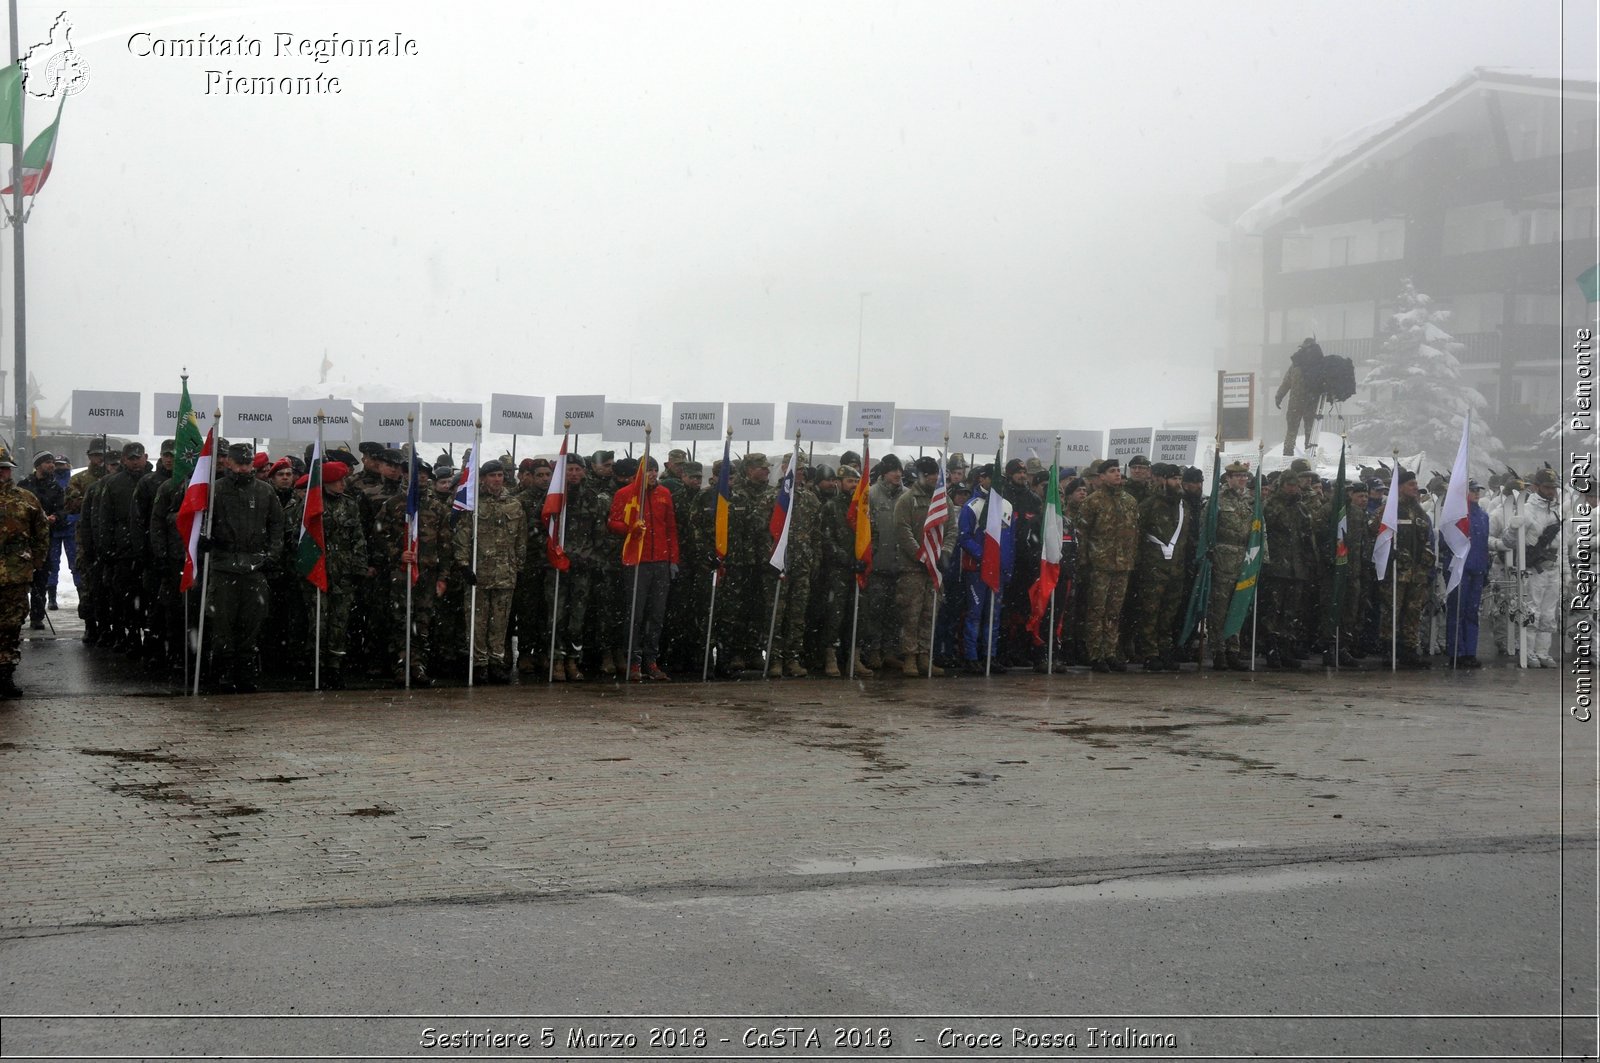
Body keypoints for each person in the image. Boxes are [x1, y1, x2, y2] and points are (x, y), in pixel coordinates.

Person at [203, 443, 286, 693]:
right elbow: (199, 520)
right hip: (224, 566)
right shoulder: (215, 490)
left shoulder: (264, 491)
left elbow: (276, 524)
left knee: (252, 625)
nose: (243, 468)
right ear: (228, 462)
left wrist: (272, 554)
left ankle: (246, 675)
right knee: (222, 626)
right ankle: (222, 674)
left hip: (254, 566)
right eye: (238, 463)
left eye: (247, 463)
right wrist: (204, 540)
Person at [447, 459, 525, 683]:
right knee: (477, 621)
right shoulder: (472, 503)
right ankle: (479, 663)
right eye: (492, 476)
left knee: (500, 621)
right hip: (478, 572)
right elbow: (462, 536)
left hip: (505, 572)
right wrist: (463, 565)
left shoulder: (514, 504)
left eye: (500, 475)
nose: (497, 479)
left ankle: (496, 661)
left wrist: (518, 565)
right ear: (483, 478)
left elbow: (521, 538)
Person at [607, 455, 680, 681]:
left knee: (656, 615)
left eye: (654, 470)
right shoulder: (625, 494)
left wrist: (673, 559)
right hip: (636, 561)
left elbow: (671, 528)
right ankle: (633, 662)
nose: (652, 475)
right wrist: (630, 528)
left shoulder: (664, 494)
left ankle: (651, 660)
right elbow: (613, 522)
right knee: (636, 614)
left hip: (660, 561)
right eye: (648, 470)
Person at [1490, 467, 1561, 667]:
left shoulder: (1557, 510)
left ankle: (1543, 652)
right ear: (1536, 487)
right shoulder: (1527, 510)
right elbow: (1508, 542)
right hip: (1534, 569)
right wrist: (1513, 528)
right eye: (1547, 487)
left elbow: (1561, 543)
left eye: (1553, 488)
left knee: (1549, 613)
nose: (1551, 491)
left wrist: (1564, 568)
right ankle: (1528, 651)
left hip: (1553, 568)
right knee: (1531, 611)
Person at [1074, 457, 1139, 672]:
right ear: (1101, 477)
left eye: (1118, 470)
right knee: (1096, 610)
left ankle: (1110, 652)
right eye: (1112, 471)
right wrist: (1083, 563)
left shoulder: (1129, 501)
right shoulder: (1092, 502)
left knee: (1114, 611)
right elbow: (1082, 534)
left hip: (1122, 565)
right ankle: (1095, 654)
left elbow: (1134, 534)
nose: (1117, 474)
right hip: (1099, 565)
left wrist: (1131, 559)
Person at [1374, 469, 1436, 668]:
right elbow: (1374, 533)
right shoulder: (1389, 509)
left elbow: (1426, 537)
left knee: (1413, 611)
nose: (1415, 488)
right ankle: (1388, 648)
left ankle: (1409, 649)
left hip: (1416, 573)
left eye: (1415, 484)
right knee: (1392, 609)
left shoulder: (1419, 511)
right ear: (1400, 487)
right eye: (1411, 484)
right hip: (1396, 572)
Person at [0, 447, 48, 697]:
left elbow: (41, 531)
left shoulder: (26, 499)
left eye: (5, 468)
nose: (3, 473)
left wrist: (37, 560)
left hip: (16, 574)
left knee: (11, 624)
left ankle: (5, 674)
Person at [894, 456, 945, 676]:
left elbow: (951, 529)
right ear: (921, 475)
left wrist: (946, 553)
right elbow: (902, 530)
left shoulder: (943, 501)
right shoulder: (907, 500)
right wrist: (920, 555)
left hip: (934, 568)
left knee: (929, 614)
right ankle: (909, 657)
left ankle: (925, 655)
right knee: (911, 615)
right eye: (930, 473)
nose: (934, 478)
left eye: (936, 473)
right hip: (913, 568)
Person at [1441, 480, 1491, 668]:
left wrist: (1484, 568)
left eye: (1478, 490)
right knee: (1457, 611)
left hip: (1477, 569)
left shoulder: (1484, 516)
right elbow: (1446, 542)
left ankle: (1470, 651)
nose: (1476, 493)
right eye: (1472, 490)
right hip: (1459, 568)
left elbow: (1484, 544)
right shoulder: (1456, 515)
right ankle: (1456, 651)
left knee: (1472, 612)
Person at [17, 453, 63, 630]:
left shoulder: (56, 488)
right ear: (38, 466)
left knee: (41, 579)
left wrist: (55, 517)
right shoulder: (24, 486)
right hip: (24, 540)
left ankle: (37, 616)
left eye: (52, 462)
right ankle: (19, 616)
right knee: (20, 580)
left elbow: (62, 511)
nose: (51, 465)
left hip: (44, 539)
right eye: (47, 462)